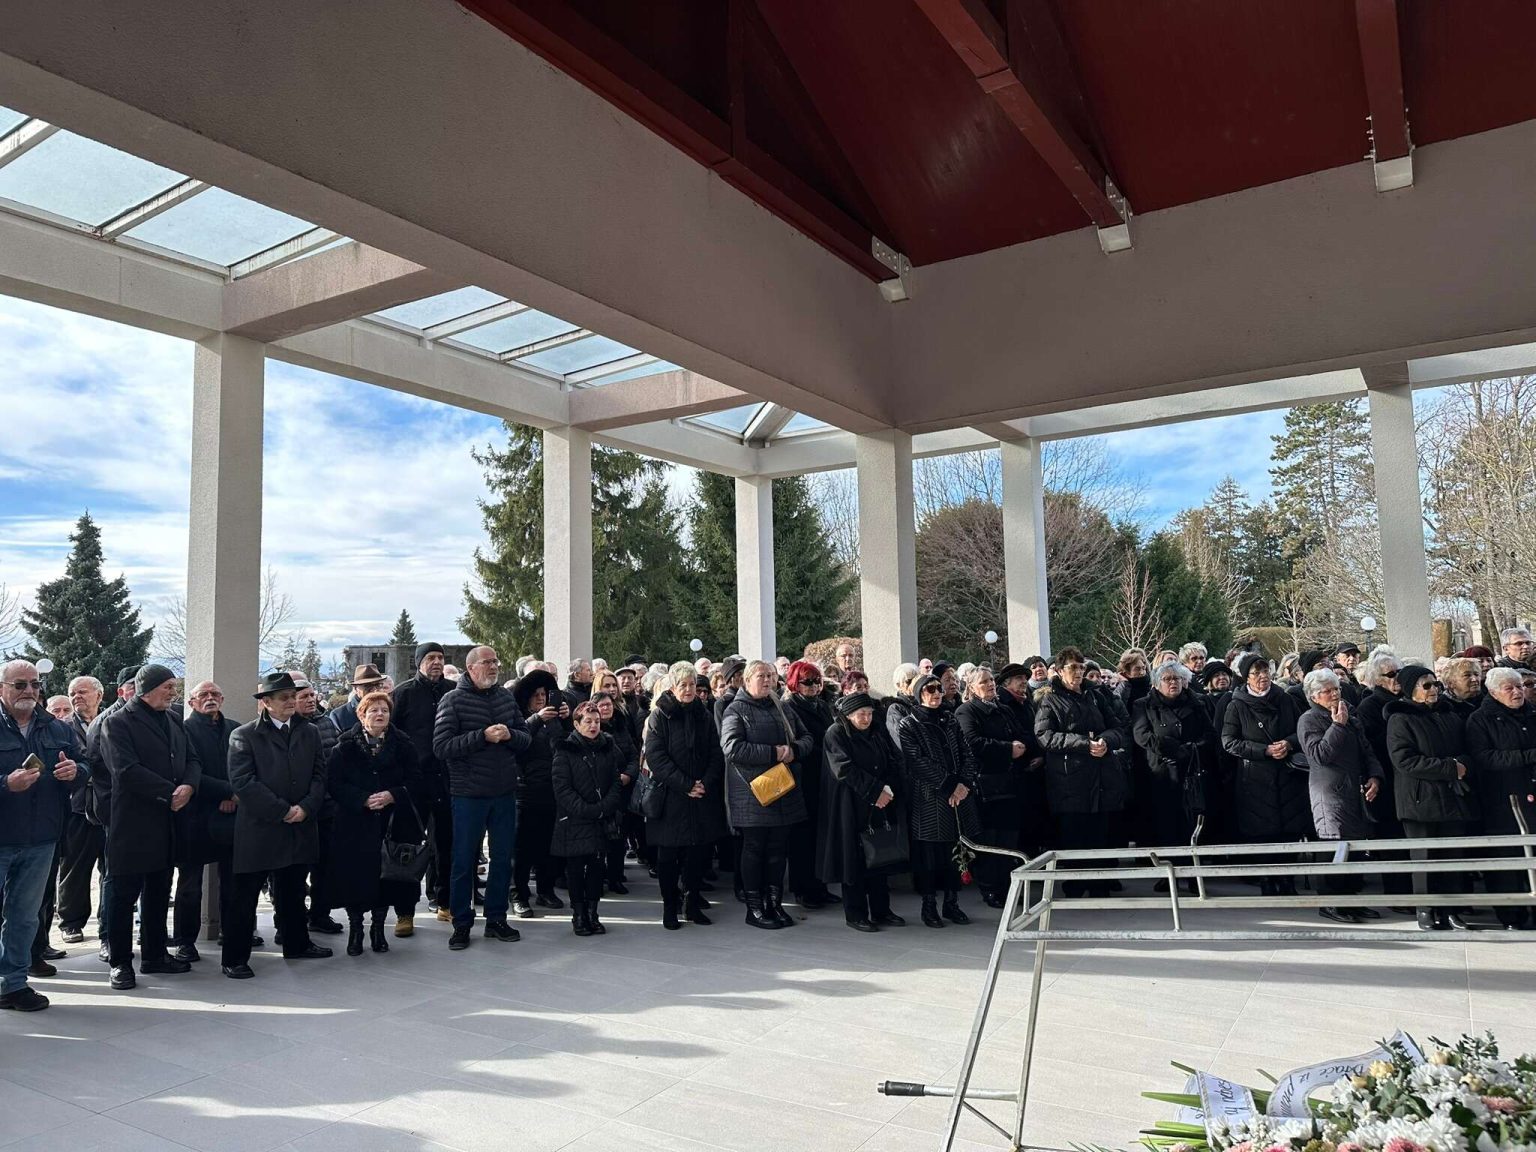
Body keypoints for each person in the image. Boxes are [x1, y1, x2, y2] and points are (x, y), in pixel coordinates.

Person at [223, 671, 333, 978]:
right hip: (261, 828)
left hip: (300, 825)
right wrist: (283, 810)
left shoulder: (309, 732)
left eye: (293, 696)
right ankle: (234, 958)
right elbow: (244, 782)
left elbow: (320, 775)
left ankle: (297, 943)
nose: (291, 702)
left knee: (293, 890)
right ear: (266, 703)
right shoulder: (244, 735)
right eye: (284, 697)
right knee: (245, 896)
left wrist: (305, 808)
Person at [101, 665, 201, 990]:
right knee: (123, 895)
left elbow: (193, 760)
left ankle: (155, 955)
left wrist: (189, 786)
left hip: (169, 822)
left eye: (174, 686)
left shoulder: (174, 719)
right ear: (147, 689)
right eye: (167, 686)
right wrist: (169, 792)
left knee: (159, 891)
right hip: (133, 824)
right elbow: (125, 770)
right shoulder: (117, 722)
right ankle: (120, 963)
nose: (173, 692)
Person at [432, 645, 530, 951]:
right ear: (471, 667)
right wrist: (482, 736)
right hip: (468, 794)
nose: (494, 666)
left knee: (502, 859)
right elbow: (442, 746)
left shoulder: (505, 698)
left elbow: (526, 738)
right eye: (487, 662)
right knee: (464, 860)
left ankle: (496, 918)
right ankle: (461, 923)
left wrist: (510, 735)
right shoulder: (453, 700)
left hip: (503, 792)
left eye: (496, 662)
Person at [0, 659, 84, 1012]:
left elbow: (85, 765)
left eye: (35, 684)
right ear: (1, 688)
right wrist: (6, 784)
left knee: (24, 916)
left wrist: (75, 771)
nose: (30, 691)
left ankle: (13, 985)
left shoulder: (56, 728)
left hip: (41, 839)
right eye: (20, 684)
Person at [324, 690, 423, 956]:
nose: (380, 714)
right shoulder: (344, 746)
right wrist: (362, 799)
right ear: (361, 715)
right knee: (355, 878)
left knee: (386, 879)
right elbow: (334, 783)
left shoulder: (403, 744)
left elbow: (416, 780)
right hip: (355, 825)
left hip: (392, 823)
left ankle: (378, 929)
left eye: (385, 710)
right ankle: (356, 930)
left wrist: (393, 795)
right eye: (374, 710)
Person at [1385, 664, 1479, 931]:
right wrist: (1450, 768)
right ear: (1410, 689)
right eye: (1426, 685)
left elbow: (1467, 748)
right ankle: (1425, 909)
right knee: (1425, 859)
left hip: (1452, 797)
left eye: (1435, 684)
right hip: (1420, 800)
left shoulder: (1449, 714)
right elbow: (1405, 760)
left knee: (1453, 856)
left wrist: (1462, 764)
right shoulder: (1400, 719)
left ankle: (1452, 909)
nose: (1433, 689)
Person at [721, 659, 812, 930]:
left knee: (778, 850)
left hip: (783, 789)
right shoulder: (735, 709)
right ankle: (755, 907)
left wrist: (794, 750)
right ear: (747, 680)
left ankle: (774, 903)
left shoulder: (782, 707)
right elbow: (732, 747)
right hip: (753, 793)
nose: (767, 680)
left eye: (771, 675)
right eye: (761, 675)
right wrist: (773, 753)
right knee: (754, 849)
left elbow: (807, 737)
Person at [1296, 668, 1384, 924]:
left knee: (1354, 846)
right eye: (1328, 691)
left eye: (1337, 689)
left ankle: (1351, 899)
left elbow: (1366, 750)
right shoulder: (1309, 720)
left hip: (1355, 790)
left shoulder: (1349, 715)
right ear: (1314, 696)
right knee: (1334, 845)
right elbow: (1320, 755)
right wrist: (1337, 726)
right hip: (1330, 793)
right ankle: (1331, 901)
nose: (1335, 694)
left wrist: (1375, 776)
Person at [643, 661, 727, 930]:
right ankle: (670, 906)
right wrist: (686, 784)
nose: (689, 690)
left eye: (692, 684)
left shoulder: (704, 714)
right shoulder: (659, 716)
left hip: (701, 797)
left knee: (697, 855)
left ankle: (692, 904)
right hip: (671, 797)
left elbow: (715, 753)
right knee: (668, 857)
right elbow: (656, 757)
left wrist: (704, 783)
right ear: (672, 687)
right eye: (683, 685)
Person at [1220, 654, 1310, 895]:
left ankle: (1288, 880)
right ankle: (1267, 880)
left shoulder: (1285, 699)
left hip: (1288, 775)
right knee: (1261, 832)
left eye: (1265, 671)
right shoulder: (1236, 705)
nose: (1262, 677)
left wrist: (1288, 744)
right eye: (1256, 673)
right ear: (1246, 678)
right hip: (1256, 778)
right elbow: (1229, 742)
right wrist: (1264, 750)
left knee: (1289, 829)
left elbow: (1301, 730)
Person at [897, 673, 980, 926]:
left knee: (957, 851)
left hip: (959, 796)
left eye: (938, 689)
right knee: (930, 855)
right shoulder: (909, 724)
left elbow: (967, 753)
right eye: (929, 689)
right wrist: (950, 785)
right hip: (930, 797)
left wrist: (963, 784)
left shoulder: (949, 719)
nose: (936, 694)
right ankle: (929, 904)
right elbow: (917, 761)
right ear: (919, 694)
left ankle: (952, 903)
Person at [821, 691, 905, 931]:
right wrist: (875, 790)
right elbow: (843, 768)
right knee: (854, 860)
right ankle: (855, 913)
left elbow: (891, 759)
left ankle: (881, 910)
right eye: (861, 714)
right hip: (851, 805)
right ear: (849, 715)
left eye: (869, 713)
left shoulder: (876, 730)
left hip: (880, 802)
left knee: (880, 855)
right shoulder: (835, 733)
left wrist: (887, 789)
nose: (866, 719)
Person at [955, 666, 1036, 907]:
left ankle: (1009, 886)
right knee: (990, 840)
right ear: (972, 687)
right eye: (984, 682)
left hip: (1010, 783)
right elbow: (972, 742)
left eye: (991, 680)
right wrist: (1007, 748)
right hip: (986, 785)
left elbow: (1023, 733)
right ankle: (991, 888)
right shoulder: (966, 711)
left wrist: (1023, 747)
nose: (990, 684)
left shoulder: (1003, 709)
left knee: (1010, 839)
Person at [391, 642, 457, 933]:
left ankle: (445, 903)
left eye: (440, 657)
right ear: (418, 662)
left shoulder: (454, 691)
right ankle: (405, 913)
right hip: (413, 782)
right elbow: (392, 735)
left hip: (446, 779)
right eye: (430, 658)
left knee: (446, 844)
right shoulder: (403, 693)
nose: (436, 662)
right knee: (407, 846)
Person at [1464, 666, 1536, 929]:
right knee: (1507, 858)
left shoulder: (1532, 713)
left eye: (1520, 686)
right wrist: (1528, 756)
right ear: (1494, 693)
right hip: (1503, 798)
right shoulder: (1480, 719)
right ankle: (1511, 915)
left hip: (1532, 793)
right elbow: (1484, 757)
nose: (1517, 692)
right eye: (1509, 688)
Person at [176, 681, 239, 962]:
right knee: (190, 886)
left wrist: (235, 795)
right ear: (191, 702)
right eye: (203, 695)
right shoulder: (182, 731)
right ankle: (185, 941)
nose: (210, 698)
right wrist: (226, 792)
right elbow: (188, 771)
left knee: (233, 882)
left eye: (215, 694)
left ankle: (232, 932)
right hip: (195, 817)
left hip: (231, 816)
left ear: (222, 699)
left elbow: (243, 767)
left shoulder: (235, 729)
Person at [551, 701, 625, 936]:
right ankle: (579, 914)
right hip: (575, 820)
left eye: (597, 721)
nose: (593, 726)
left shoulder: (607, 746)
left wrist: (604, 807)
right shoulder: (565, 750)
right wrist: (588, 810)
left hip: (601, 819)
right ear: (576, 724)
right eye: (588, 722)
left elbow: (615, 782)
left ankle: (593, 913)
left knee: (596, 868)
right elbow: (562, 788)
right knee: (575, 869)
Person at [1131, 661, 1210, 866]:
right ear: (1157, 684)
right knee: (1164, 823)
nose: (1172, 682)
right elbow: (1141, 735)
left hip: (1190, 772)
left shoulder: (1197, 703)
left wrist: (1190, 749)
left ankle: (1192, 871)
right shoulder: (1143, 705)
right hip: (1161, 772)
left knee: (1190, 822)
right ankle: (1167, 871)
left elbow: (1209, 734)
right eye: (1167, 679)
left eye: (1176, 678)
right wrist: (1170, 748)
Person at [782, 660, 837, 910]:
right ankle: (802, 889)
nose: (813, 686)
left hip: (824, 775)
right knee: (802, 838)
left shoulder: (822, 705)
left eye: (817, 681)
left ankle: (820, 886)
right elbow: (796, 742)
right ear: (796, 683)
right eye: (807, 682)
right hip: (803, 776)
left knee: (820, 835)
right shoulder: (789, 707)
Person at [510, 668, 564, 918]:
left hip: (551, 790)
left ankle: (546, 890)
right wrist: (536, 720)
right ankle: (518, 894)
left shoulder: (554, 720)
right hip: (524, 791)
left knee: (547, 845)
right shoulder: (519, 718)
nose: (541, 699)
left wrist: (565, 719)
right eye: (536, 695)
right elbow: (516, 742)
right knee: (521, 848)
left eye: (544, 694)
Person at [55, 675, 105, 945]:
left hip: (109, 807)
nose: (76, 697)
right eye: (73, 693)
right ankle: (71, 922)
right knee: (74, 867)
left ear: (99, 695)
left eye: (82, 692)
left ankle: (108, 921)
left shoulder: (111, 722)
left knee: (111, 869)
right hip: (77, 807)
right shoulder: (62, 728)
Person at [592, 685, 637, 894]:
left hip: (622, 789)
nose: (606, 708)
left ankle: (615, 877)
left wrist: (628, 774)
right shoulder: (591, 729)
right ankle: (597, 877)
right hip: (600, 791)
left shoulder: (621, 726)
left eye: (609, 705)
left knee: (619, 836)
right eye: (601, 705)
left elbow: (633, 755)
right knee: (600, 838)